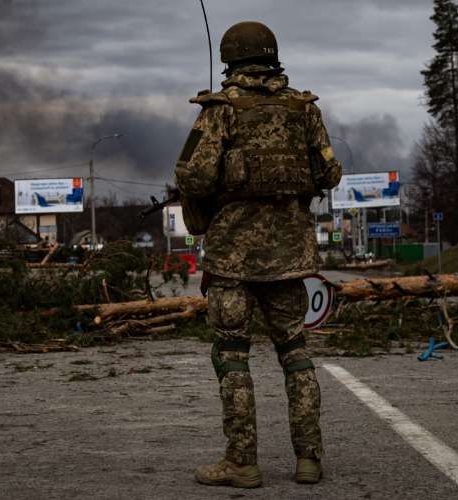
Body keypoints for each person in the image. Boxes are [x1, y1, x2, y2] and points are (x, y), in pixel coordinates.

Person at [174, 20, 342, 488]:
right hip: (290, 255)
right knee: (295, 353)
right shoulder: (303, 109)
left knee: (232, 355)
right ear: (273, 57)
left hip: (232, 258)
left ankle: (242, 462)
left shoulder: (220, 110)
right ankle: (308, 458)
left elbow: (195, 176)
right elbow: (329, 173)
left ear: (230, 60)